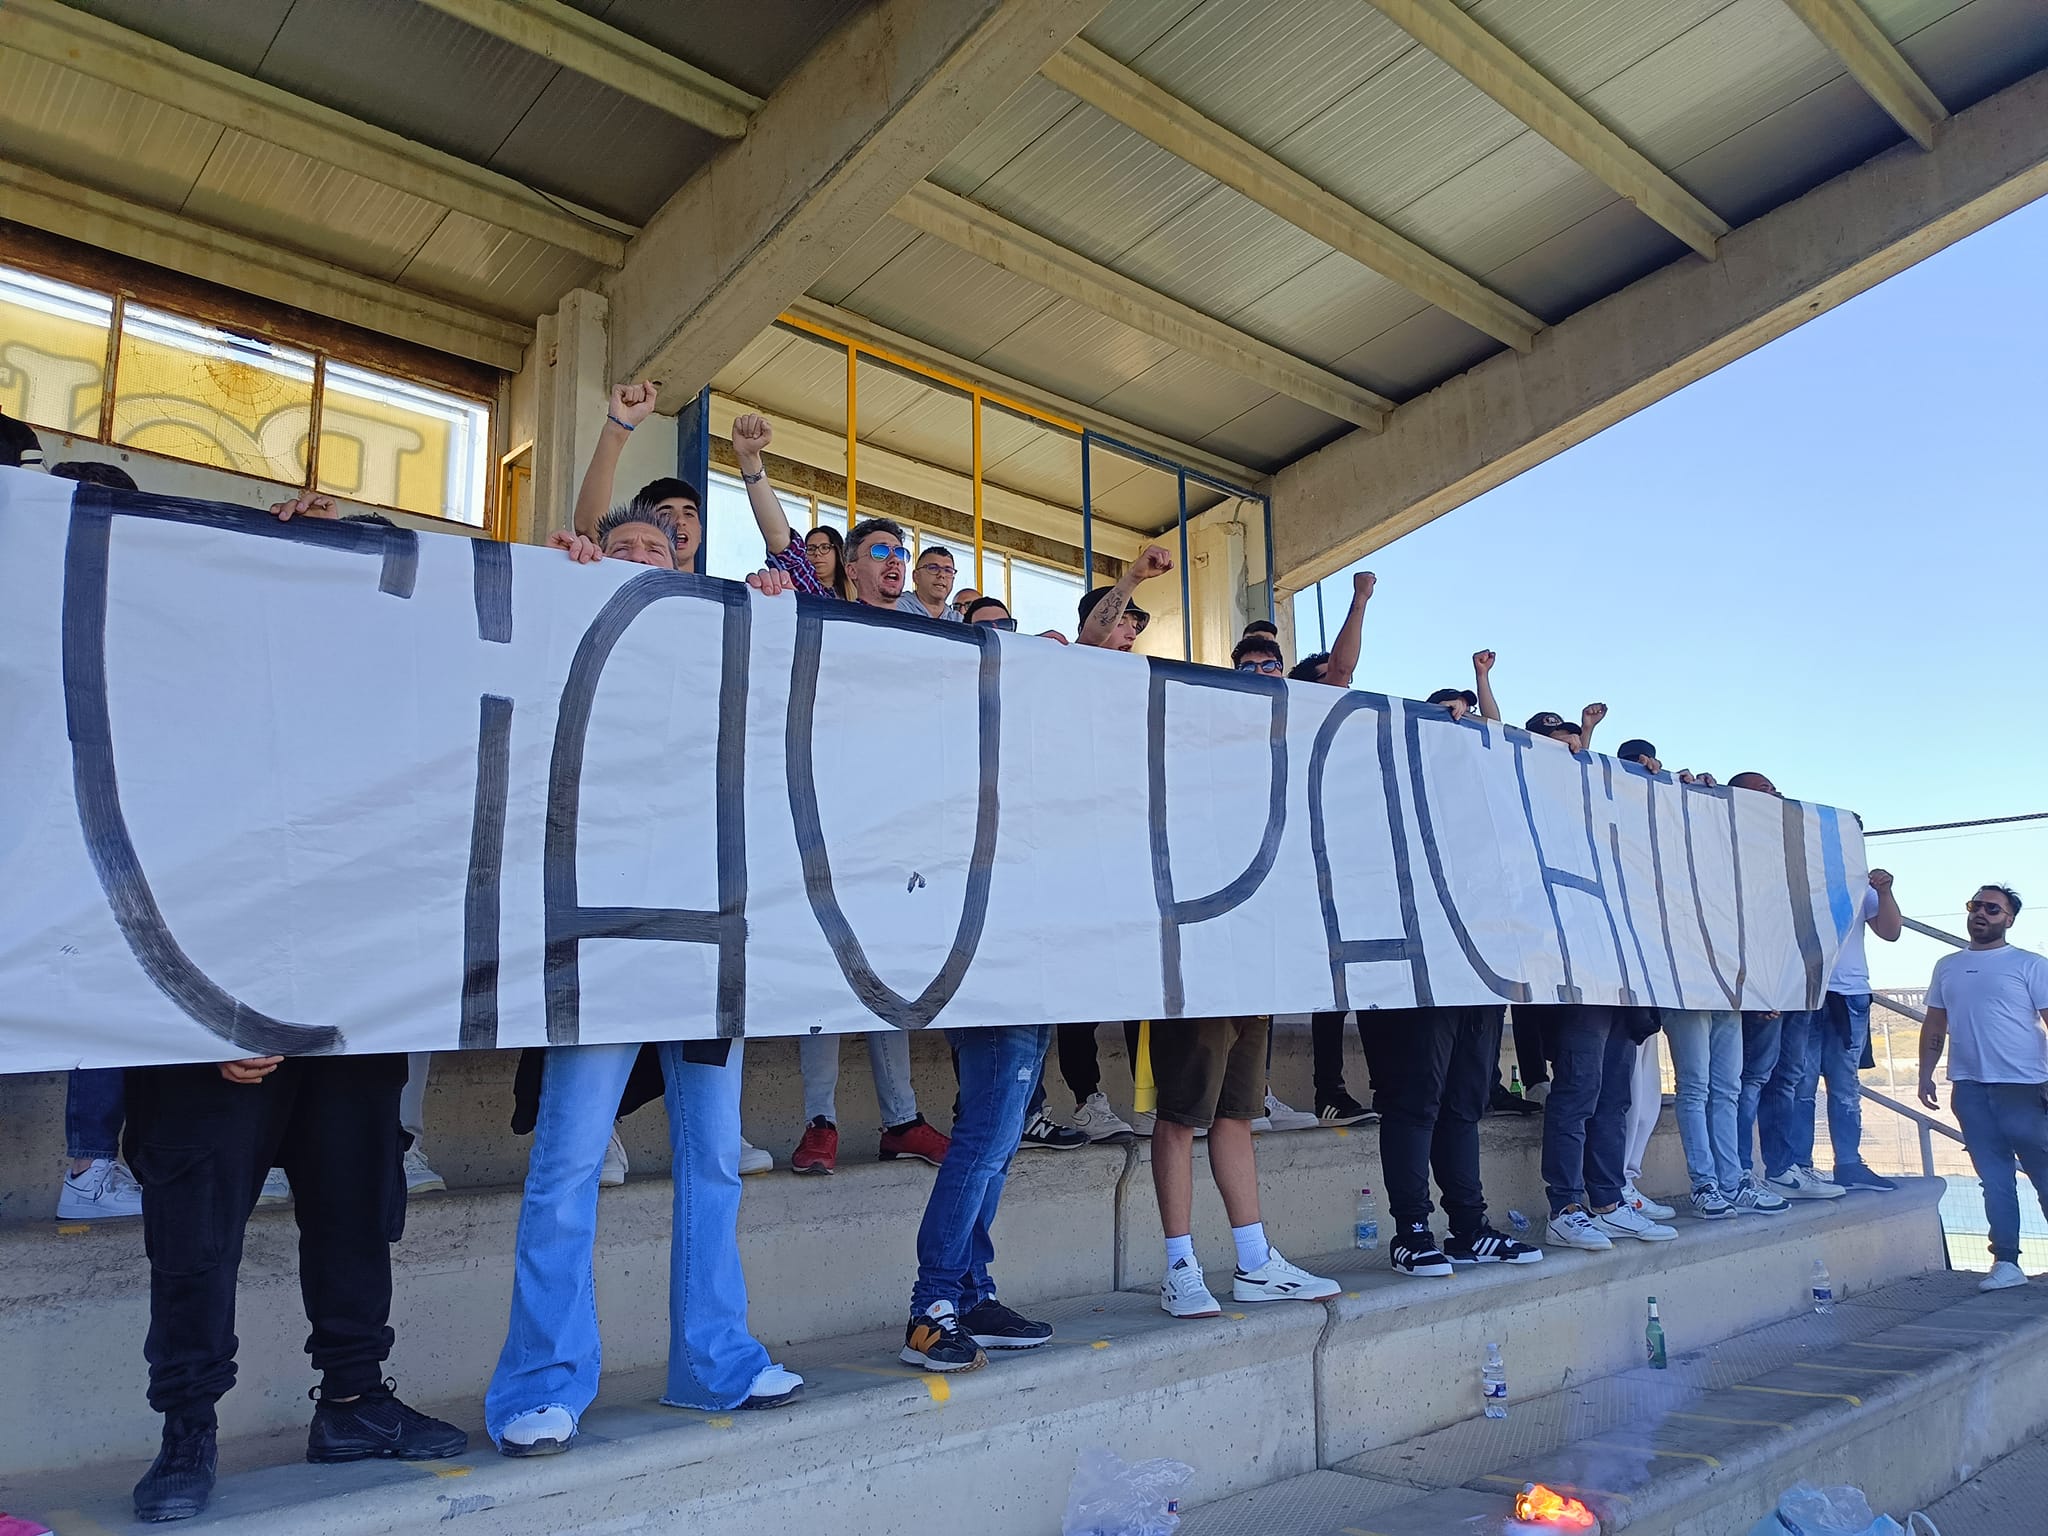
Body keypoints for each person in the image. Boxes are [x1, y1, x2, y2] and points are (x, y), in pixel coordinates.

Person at [485, 514, 802, 1457]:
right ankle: (541, 1385)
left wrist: (773, 616)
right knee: (565, 1166)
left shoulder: (716, 648)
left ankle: (715, 1363)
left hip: (705, 938)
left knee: (711, 1163)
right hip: (596, 935)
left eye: (655, 554)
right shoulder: (567, 644)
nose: (635, 563)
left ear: (687, 570)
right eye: (618, 550)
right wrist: (558, 580)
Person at [731, 415, 950, 1174]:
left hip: (902, 832)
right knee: (829, 970)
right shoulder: (823, 611)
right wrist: (753, 465)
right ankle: (819, 1121)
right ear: (850, 569)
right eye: (882, 552)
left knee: (888, 974)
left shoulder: (938, 636)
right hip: (828, 821)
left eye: (903, 554)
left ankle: (902, 1121)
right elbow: (783, 541)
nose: (896, 563)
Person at [1151, 1015, 1339, 1316]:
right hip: (1199, 986)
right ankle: (1179, 1264)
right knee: (1179, 1115)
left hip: (1250, 987)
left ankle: (1255, 1262)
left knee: (1237, 1115)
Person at [900, 1016, 1060, 1370]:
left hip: (1035, 995)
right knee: (982, 1147)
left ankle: (971, 1297)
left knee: (997, 1152)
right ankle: (931, 1307)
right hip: (1000, 995)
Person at [1919, 885, 2048, 1291]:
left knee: (2044, 1176)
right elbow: (1935, 1023)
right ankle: (2007, 1263)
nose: (1981, 913)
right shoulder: (1947, 966)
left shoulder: (2031, 965)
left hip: (2025, 1087)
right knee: (1994, 1180)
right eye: (1975, 905)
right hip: (1970, 1089)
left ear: (2009, 919)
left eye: (1993, 908)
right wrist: (1925, 1073)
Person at [1370, 1006, 1543, 1276]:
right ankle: (1411, 1233)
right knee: (1415, 1099)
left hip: (1477, 992)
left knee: (1464, 1105)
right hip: (1419, 990)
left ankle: (1469, 1229)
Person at [1538, 1003, 1674, 1251]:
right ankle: (1564, 1209)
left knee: (1614, 1101)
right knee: (1576, 1094)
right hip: (1580, 989)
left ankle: (1608, 1204)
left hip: (1621, 995)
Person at [1809, 858, 1904, 1193]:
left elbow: (1890, 932)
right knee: (1798, 1082)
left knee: (1844, 1085)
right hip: (1803, 991)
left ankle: (1848, 1163)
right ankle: (1797, 1167)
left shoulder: (1860, 883)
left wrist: (1885, 890)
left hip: (1848, 992)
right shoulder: (1797, 871)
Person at [1612, 739, 1673, 1221]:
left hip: (1650, 973)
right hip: (1612, 973)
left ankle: (1627, 1178)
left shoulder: (1658, 825)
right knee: (1620, 1088)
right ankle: (1615, 1184)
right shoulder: (1604, 810)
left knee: (1646, 1089)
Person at [569, 380, 704, 569]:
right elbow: (589, 528)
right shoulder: (617, 568)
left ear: (700, 531)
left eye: (689, 514)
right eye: (665, 513)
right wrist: (618, 428)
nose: (680, 521)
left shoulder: (722, 597)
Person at [899, 545, 961, 621]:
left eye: (948, 570)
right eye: (933, 568)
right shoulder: (895, 608)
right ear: (916, 576)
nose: (941, 575)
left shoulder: (959, 621)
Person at [804, 525, 852, 600]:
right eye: (811, 549)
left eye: (825, 547)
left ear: (838, 552)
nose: (817, 553)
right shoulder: (803, 586)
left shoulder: (856, 589)